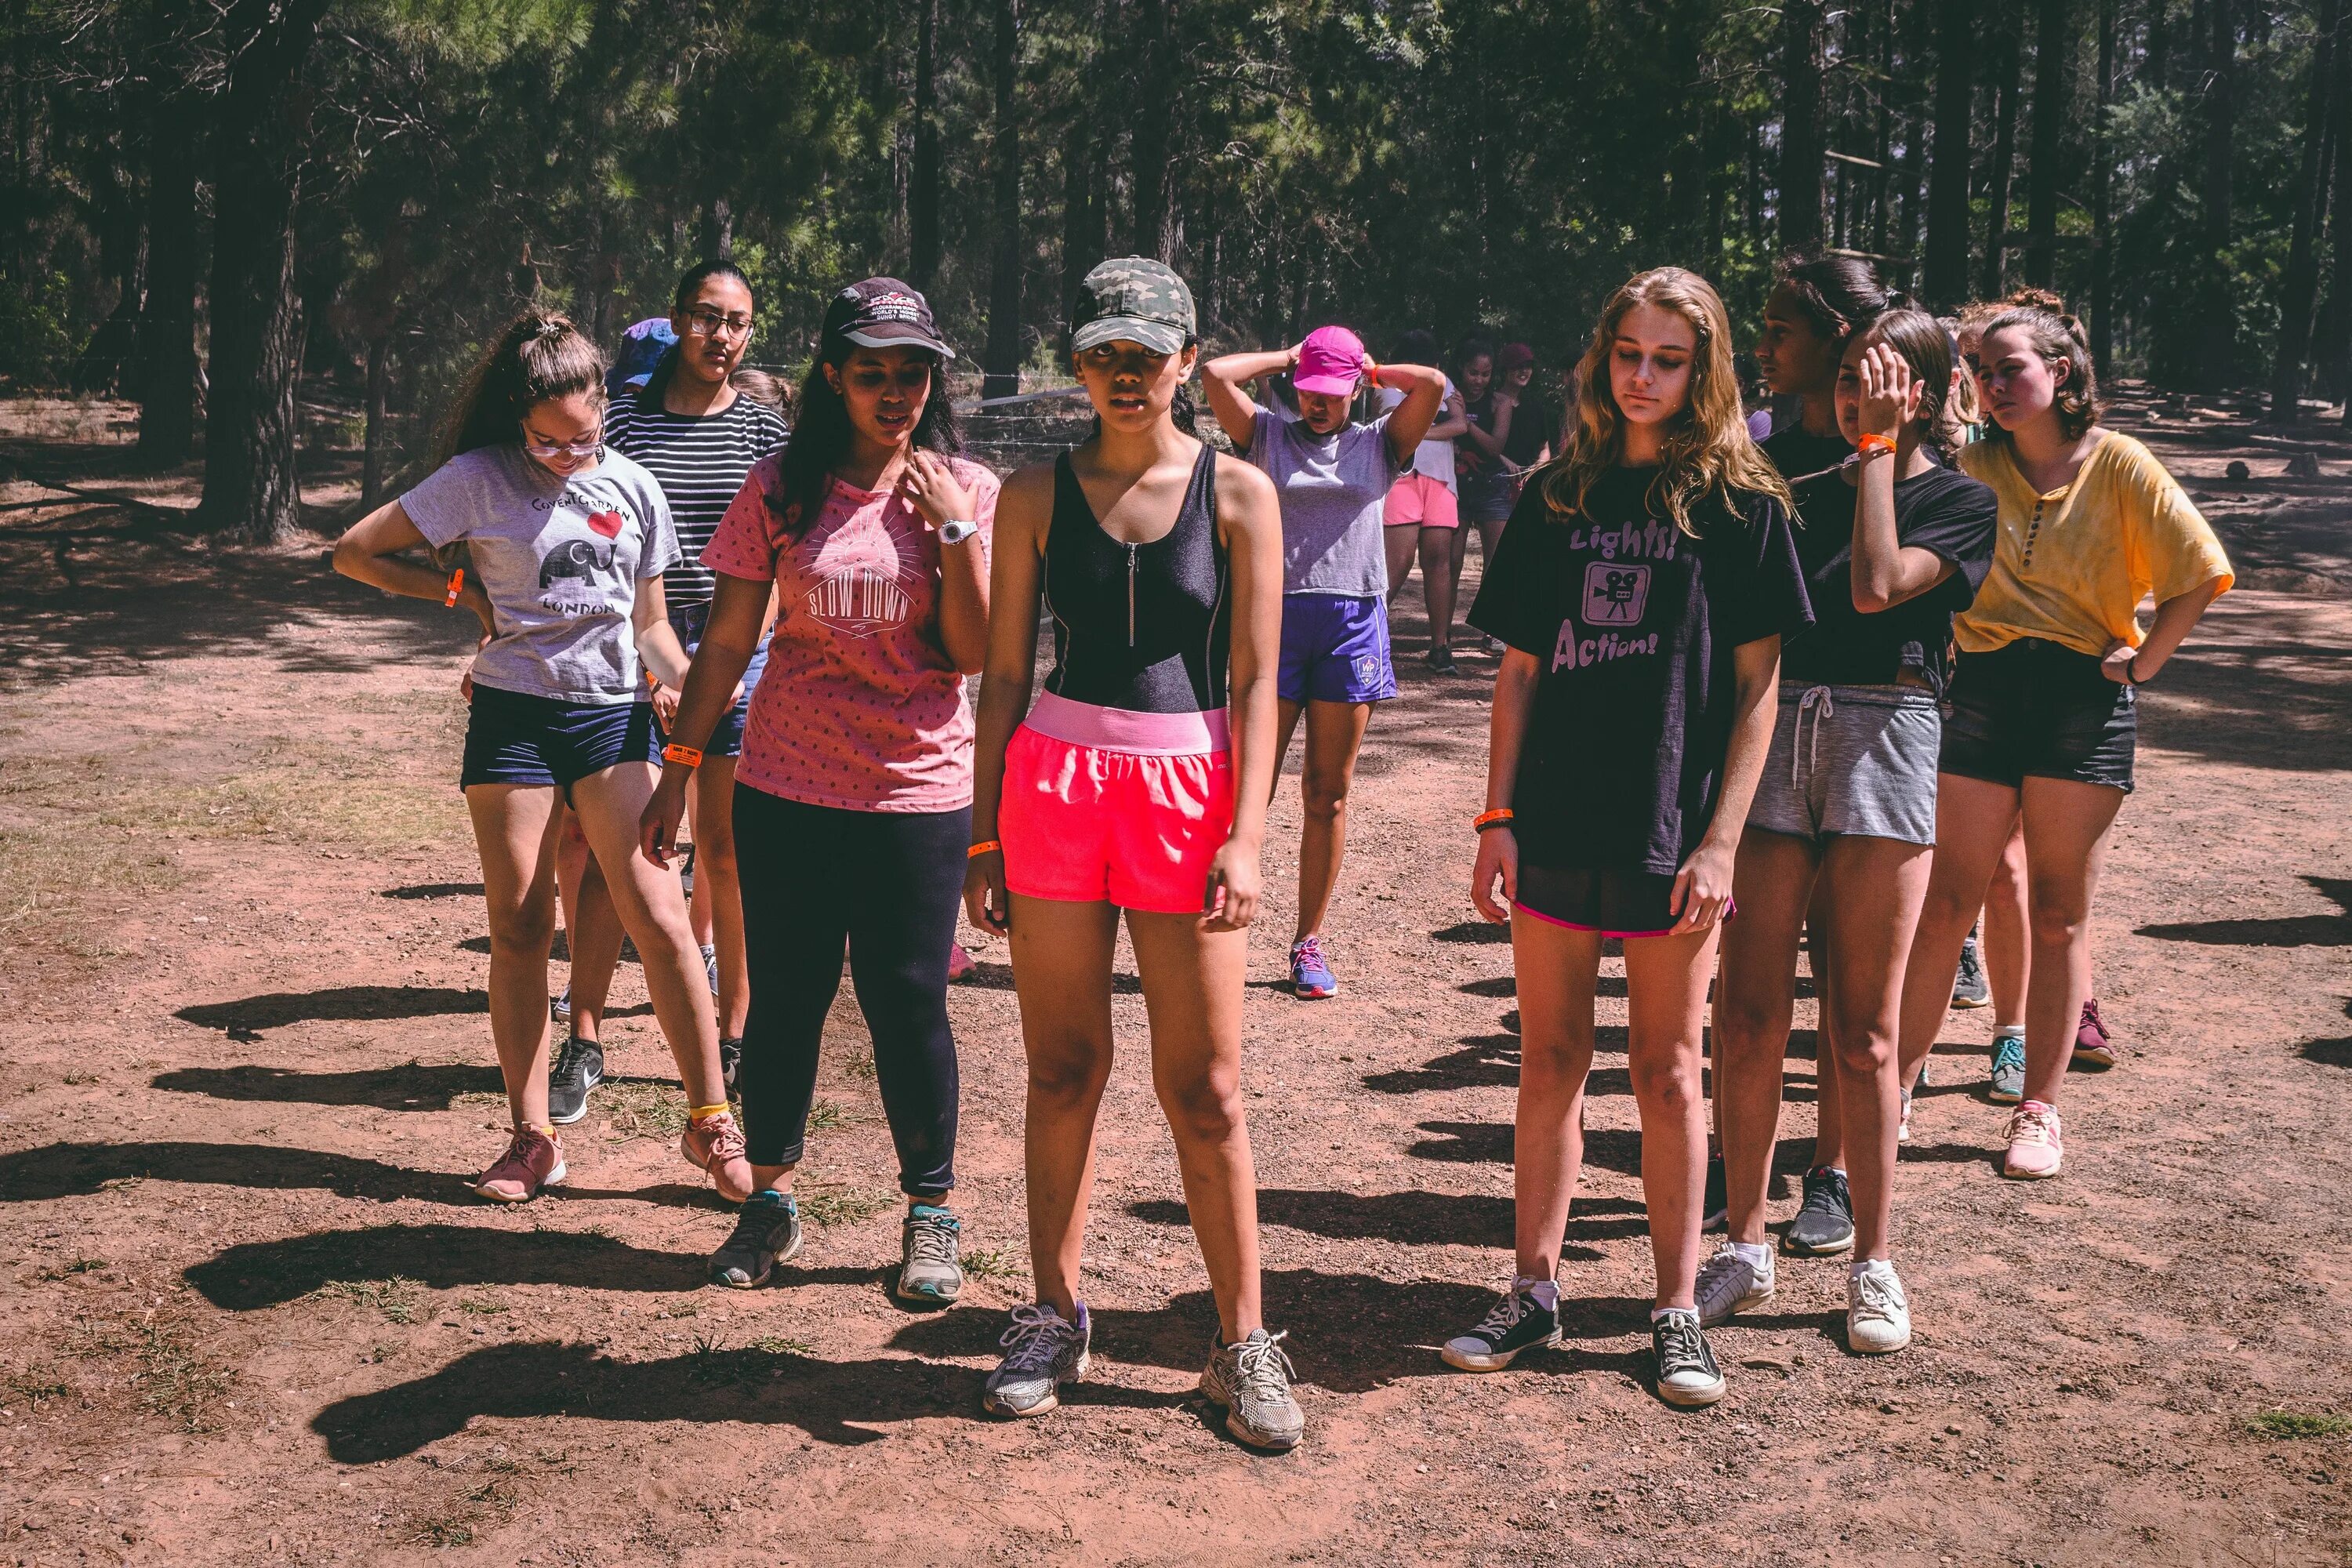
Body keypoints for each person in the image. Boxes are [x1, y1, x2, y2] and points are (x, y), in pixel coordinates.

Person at [1445, 267, 1812, 1410]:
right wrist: (1497, 820)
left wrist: (1720, 843)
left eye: (1669, 360)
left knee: (1665, 1070)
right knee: (1549, 1060)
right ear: (1602, 359)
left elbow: (1759, 690)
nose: (1644, 377)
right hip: (1555, 816)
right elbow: (1514, 675)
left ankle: (1671, 1311)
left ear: (1703, 373)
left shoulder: (1745, 508)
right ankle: (1533, 1291)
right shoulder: (1559, 495)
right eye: (1629, 355)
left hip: (1673, 833)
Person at [964, 258, 1300, 1447]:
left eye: (1145, 357)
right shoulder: (1032, 494)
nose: (1122, 376)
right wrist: (983, 827)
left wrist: (1251, 835)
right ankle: (1052, 1313)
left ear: (1187, 363)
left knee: (1204, 1090)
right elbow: (1006, 670)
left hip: (1189, 795)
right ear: (1077, 363)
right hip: (1052, 784)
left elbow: (1259, 682)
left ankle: (1242, 1343)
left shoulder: (1242, 494)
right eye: (1102, 355)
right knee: (1061, 1069)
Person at [332, 310, 753, 1205]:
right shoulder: (478, 478)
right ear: (518, 418)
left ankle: (710, 1119)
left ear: (605, 407)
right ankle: (533, 1137)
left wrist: (681, 681)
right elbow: (356, 552)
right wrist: (458, 590)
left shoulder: (636, 486)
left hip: (611, 716)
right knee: (520, 924)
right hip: (515, 715)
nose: (566, 455)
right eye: (547, 440)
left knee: (661, 912)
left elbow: (651, 626)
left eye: (583, 436)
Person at [639, 277, 996, 1305]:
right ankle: (771, 1205)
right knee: (787, 999)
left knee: (907, 1002)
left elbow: (970, 652)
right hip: (788, 787)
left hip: (917, 795)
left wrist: (958, 531)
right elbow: (726, 645)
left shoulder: (965, 489)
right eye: (873, 372)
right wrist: (681, 768)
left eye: (915, 372)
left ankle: (931, 1215)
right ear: (833, 376)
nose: (896, 393)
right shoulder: (779, 492)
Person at [1708, 310, 1996, 1356]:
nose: (1846, 394)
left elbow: (1878, 588)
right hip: (1775, 721)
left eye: (1871, 380)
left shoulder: (1961, 502)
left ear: (1916, 389)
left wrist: (1877, 449)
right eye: (1841, 379)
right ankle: (1743, 1244)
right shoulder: (1789, 476)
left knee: (1865, 1028)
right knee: (1746, 1014)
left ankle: (1874, 1260)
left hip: (1889, 731)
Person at [1895, 306, 2231, 1178]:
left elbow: (2199, 568)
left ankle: (2039, 1109)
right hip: (1982, 694)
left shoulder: (2120, 462)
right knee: (1947, 902)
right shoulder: (1973, 464)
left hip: (2084, 698)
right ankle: (1890, 1088)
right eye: (1981, 372)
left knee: (2058, 911)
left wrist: (2148, 657)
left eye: (2009, 369)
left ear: (2064, 373)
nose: (1992, 386)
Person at [529, 260, 789, 1123]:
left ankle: (738, 1031)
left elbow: (780, 560)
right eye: (709, 317)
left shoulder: (760, 431)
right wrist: (654, 669)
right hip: (626, 660)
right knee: (623, 854)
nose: (724, 335)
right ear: (677, 320)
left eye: (740, 321)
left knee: (729, 849)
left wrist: (738, 663)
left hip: (736, 667)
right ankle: (587, 1035)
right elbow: (582, 531)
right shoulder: (624, 424)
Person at [1733, 250, 1900, 1246]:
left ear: (1842, 338)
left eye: (1781, 329)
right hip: (1760, 718)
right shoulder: (1752, 449)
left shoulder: (1906, 457)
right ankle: (1741, 1164)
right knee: (1747, 985)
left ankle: (1831, 1170)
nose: (1763, 346)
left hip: (1868, 727)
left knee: (1847, 974)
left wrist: (1878, 443)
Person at [1200, 325, 1444, 1000]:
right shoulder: (1267, 438)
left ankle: (1308, 941)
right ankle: (1210, 915)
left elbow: (1433, 386)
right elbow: (1216, 376)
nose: (1318, 403)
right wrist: (1289, 358)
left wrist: (1373, 369)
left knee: (1326, 792)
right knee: (1248, 787)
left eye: (1332, 394)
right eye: (1309, 390)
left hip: (1350, 628)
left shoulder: (1379, 445)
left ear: (1353, 393)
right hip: (1274, 622)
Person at [1379, 328, 1472, 670]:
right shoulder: (1389, 386)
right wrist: (1444, 423)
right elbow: (1396, 428)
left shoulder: (1442, 382)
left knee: (1440, 563)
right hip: (1403, 479)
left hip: (1442, 482)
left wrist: (1426, 429)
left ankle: (1440, 646)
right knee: (1397, 564)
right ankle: (1364, 634)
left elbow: (1460, 425)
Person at [1454, 338, 1516, 572]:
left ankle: (1485, 610)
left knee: (1496, 567)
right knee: (1451, 566)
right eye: (1473, 373)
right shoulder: (1449, 397)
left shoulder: (1501, 403)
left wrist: (1465, 423)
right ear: (1461, 366)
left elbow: (1495, 447)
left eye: (1486, 374)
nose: (1479, 380)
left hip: (1493, 488)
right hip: (1455, 488)